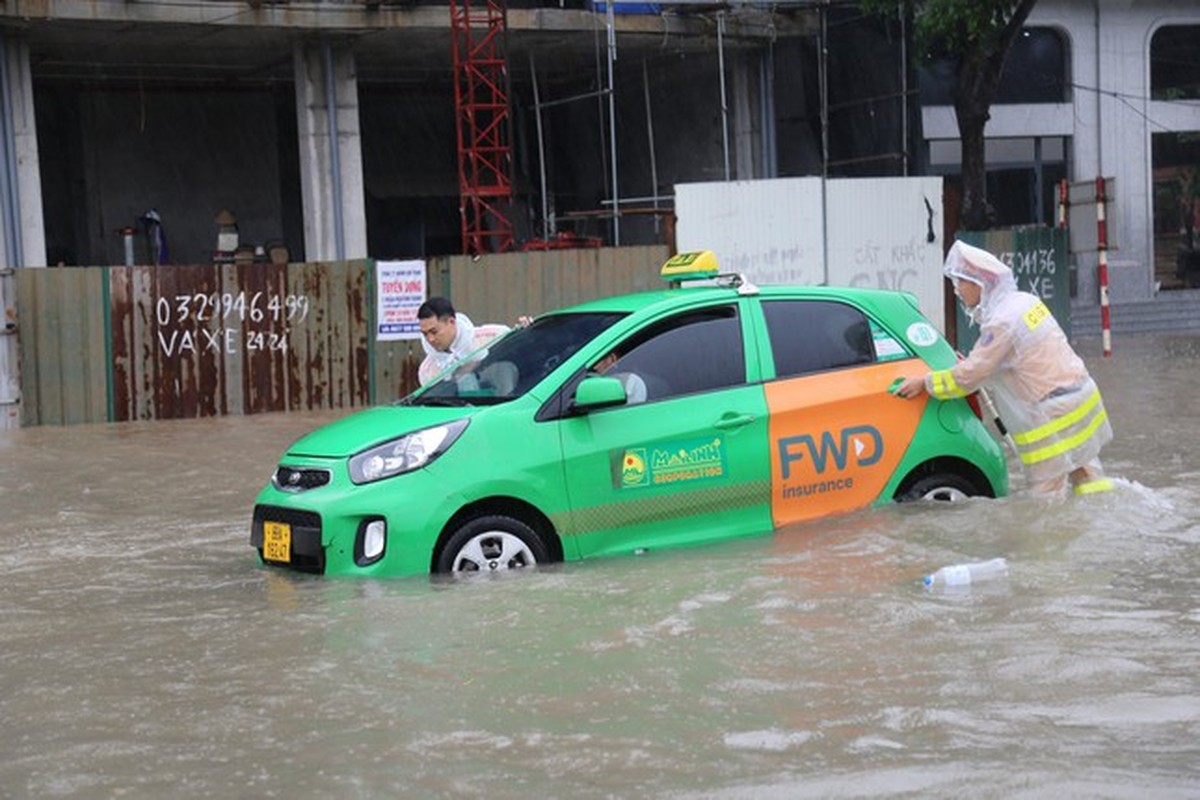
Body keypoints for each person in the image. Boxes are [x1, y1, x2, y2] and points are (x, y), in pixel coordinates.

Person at [893, 240, 1114, 497]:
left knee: (1046, 503)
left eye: (961, 282)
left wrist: (925, 383)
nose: (957, 290)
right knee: (1087, 476)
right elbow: (1021, 358)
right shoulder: (1024, 302)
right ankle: (1102, 525)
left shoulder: (1001, 322)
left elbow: (969, 377)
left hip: (1052, 416)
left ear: (979, 283)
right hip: (1080, 401)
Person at [417, 297, 512, 386]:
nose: (430, 339)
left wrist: (526, 327)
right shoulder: (427, 371)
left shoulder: (493, 337)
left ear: (451, 322)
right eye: (425, 334)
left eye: (434, 332)